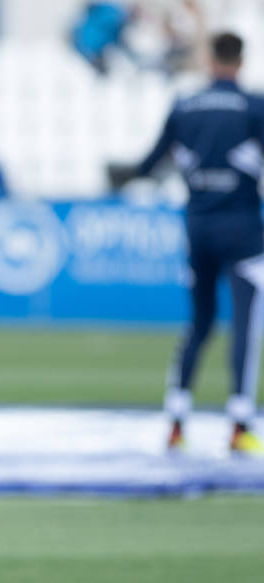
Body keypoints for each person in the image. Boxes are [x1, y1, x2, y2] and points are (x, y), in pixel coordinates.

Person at [120, 32, 264, 454]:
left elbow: (149, 163)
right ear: (240, 60)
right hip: (243, 231)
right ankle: (239, 423)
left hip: (197, 227)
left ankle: (176, 418)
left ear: (209, 58)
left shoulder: (185, 106)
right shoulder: (254, 107)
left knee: (198, 324)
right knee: (245, 325)